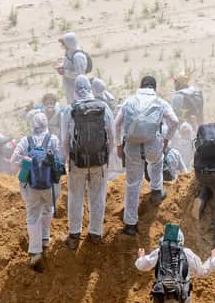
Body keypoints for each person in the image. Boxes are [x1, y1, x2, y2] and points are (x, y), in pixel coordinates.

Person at [115, 75, 179, 235]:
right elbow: (175, 121)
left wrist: (118, 144)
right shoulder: (160, 102)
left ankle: (130, 225)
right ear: (154, 88)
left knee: (132, 184)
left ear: (141, 86)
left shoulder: (129, 101)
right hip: (152, 145)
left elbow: (116, 124)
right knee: (157, 162)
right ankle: (156, 191)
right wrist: (166, 140)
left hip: (132, 147)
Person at [62, 75, 113, 248]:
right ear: (90, 88)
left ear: (75, 90)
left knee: (75, 196)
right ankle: (95, 234)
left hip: (78, 162)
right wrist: (107, 156)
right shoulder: (104, 108)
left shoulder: (70, 110)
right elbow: (112, 135)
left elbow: (64, 140)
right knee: (97, 196)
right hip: (100, 161)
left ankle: (74, 236)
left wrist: (67, 159)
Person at [10, 111, 61, 269]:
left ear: (32, 125)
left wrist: (26, 164)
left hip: (31, 187)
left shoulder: (26, 141)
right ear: (47, 125)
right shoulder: (53, 139)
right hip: (49, 186)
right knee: (48, 208)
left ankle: (35, 251)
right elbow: (59, 162)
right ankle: (45, 238)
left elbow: (13, 161)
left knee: (32, 215)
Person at [56, 33, 90, 105]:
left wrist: (65, 72)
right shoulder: (69, 52)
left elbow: (80, 75)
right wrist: (62, 67)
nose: (63, 46)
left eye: (63, 43)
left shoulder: (78, 56)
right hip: (70, 88)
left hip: (77, 90)